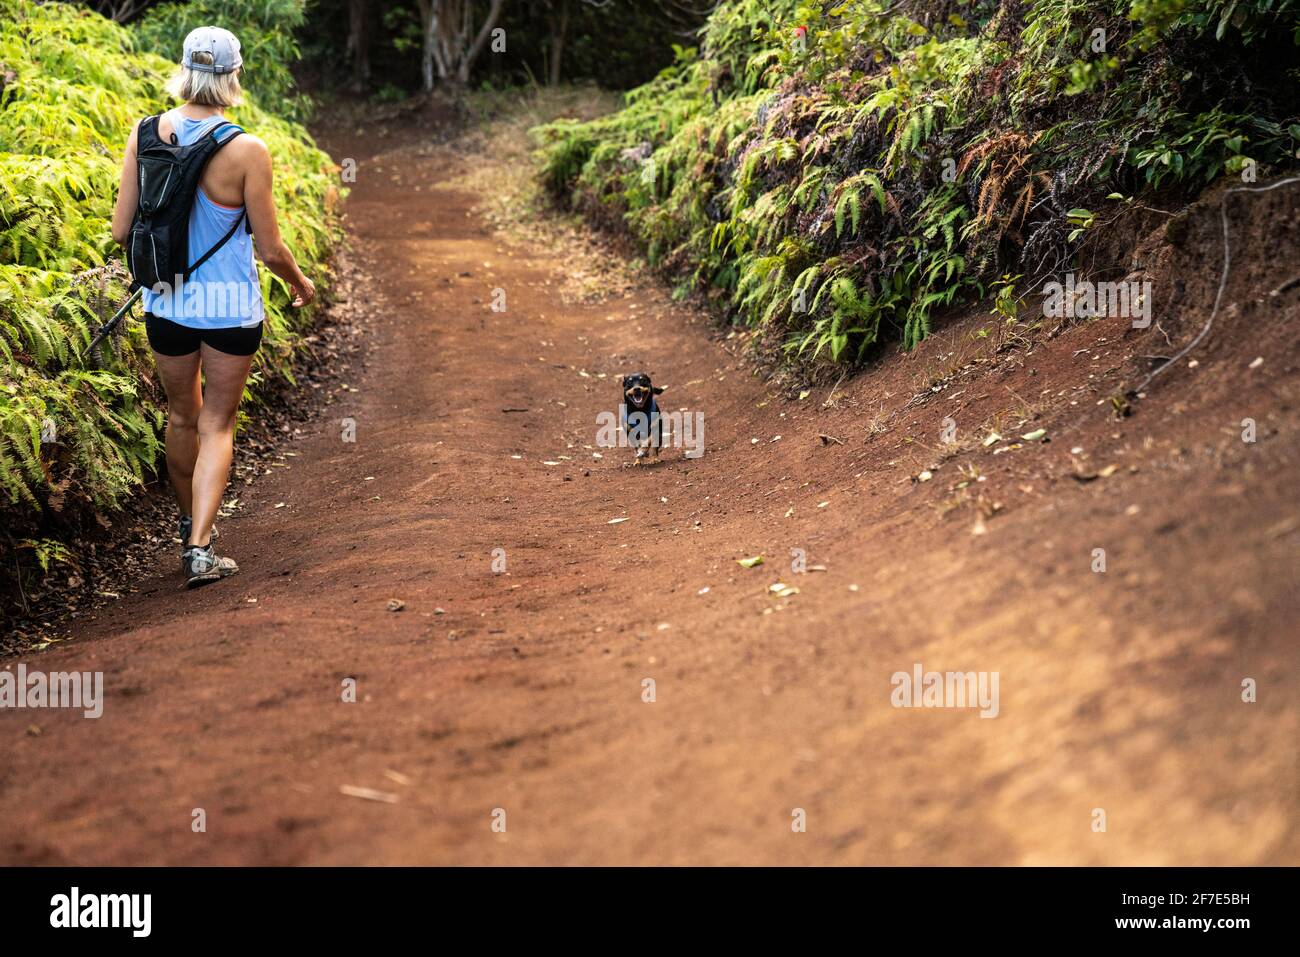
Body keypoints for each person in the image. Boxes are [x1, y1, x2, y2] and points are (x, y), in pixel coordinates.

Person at [111, 26, 315, 587]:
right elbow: (270, 248)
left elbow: (120, 228)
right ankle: (201, 548)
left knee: (181, 416)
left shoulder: (146, 131)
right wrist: (300, 281)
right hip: (228, 309)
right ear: (233, 76)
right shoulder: (247, 149)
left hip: (166, 302)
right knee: (218, 423)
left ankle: (185, 525)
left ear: (184, 71)